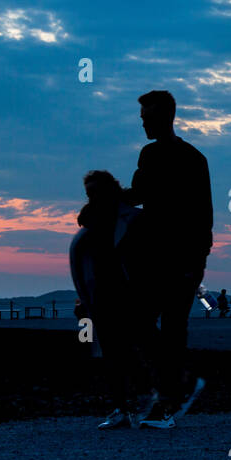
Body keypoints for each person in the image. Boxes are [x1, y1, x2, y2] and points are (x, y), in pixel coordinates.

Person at [123, 89, 213, 430]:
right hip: (180, 255)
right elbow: (205, 213)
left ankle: (172, 393)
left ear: (162, 117)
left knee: (148, 324)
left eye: (146, 117)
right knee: (170, 327)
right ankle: (173, 391)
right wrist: (200, 256)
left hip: (166, 255)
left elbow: (138, 195)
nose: (143, 122)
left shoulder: (153, 154)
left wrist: (106, 199)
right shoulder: (195, 157)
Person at [68, 170, 147, 429]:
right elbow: (83, 266)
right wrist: (83, 300)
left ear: (111, 189)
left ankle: (148, 403)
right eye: (89, 192)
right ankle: (122, 408)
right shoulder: (88, 220)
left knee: (136, 350)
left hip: (131, 292)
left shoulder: (133, 218)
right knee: (112, 354)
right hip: (100, 294)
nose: (91, 196)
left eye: (96, 191)